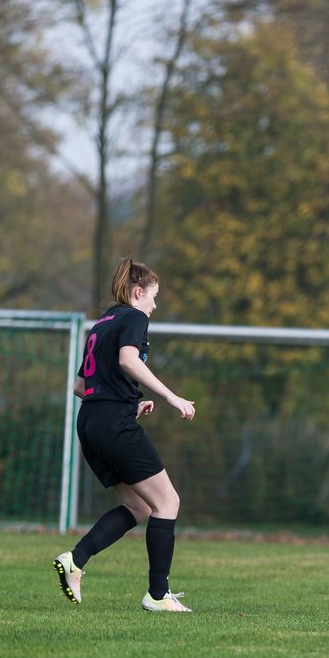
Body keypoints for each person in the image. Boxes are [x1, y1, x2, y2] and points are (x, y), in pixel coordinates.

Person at [53, 258, 197, 612]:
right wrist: (171, 396)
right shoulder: (134, 317)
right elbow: (128, 361)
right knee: (167, 503)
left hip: (91, 421)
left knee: (139, 506)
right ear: (138, 292)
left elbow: (80, 386)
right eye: (153, 296)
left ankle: (76, 559)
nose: (154, 305)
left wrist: (129, 404)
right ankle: (158, 595)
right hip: (112, 423)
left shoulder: (101, 323)